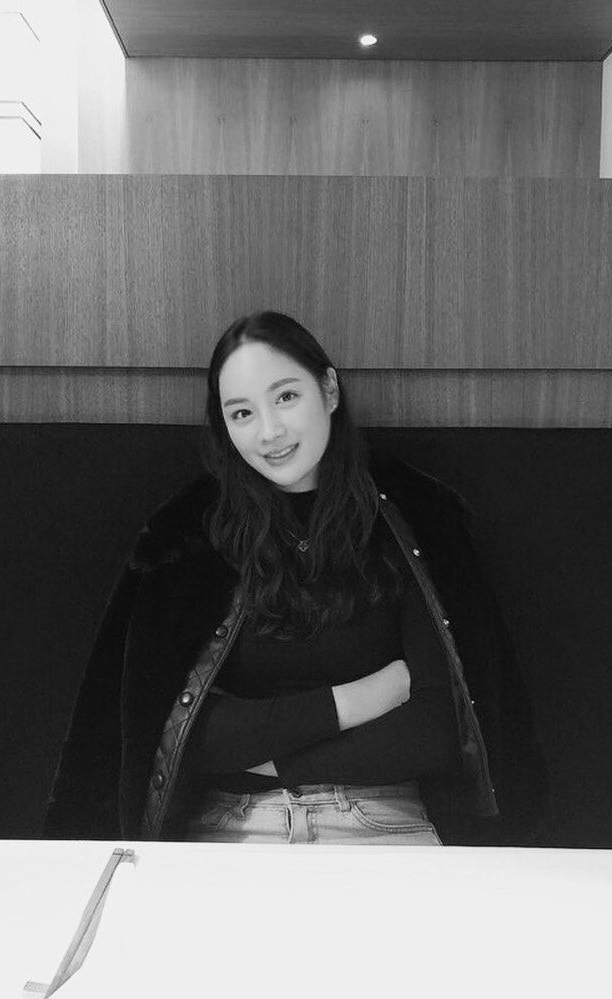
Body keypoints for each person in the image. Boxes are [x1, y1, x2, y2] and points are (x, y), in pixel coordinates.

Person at [44, 311, 547, 846]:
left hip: (384, 818)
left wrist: (272, 758)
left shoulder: (412, 519)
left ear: (328, 390)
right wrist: (362, 699)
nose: (270, 432)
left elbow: (436, 729)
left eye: (286, 397)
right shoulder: (189, 541)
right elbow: (187, 734)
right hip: (231, 823)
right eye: (242, 412)